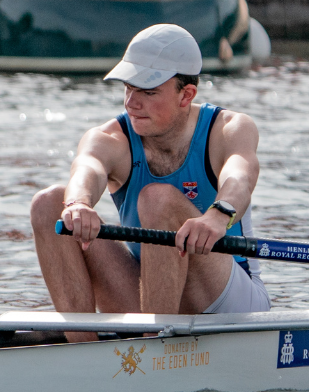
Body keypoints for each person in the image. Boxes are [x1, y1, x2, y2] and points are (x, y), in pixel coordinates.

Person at [29, 24, 270, 343]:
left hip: (227, 302)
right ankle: (84, 353)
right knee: (49, 204)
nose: (131, 103)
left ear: (186, 95)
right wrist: (78, 203)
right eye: (128, 88)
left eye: (148, 91)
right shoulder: (111, 138)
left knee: (156, 199)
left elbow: (241, 174)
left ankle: (153, 353)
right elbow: (87, 168)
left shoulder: (228, 128)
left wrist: (217, 216)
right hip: (150, 293)